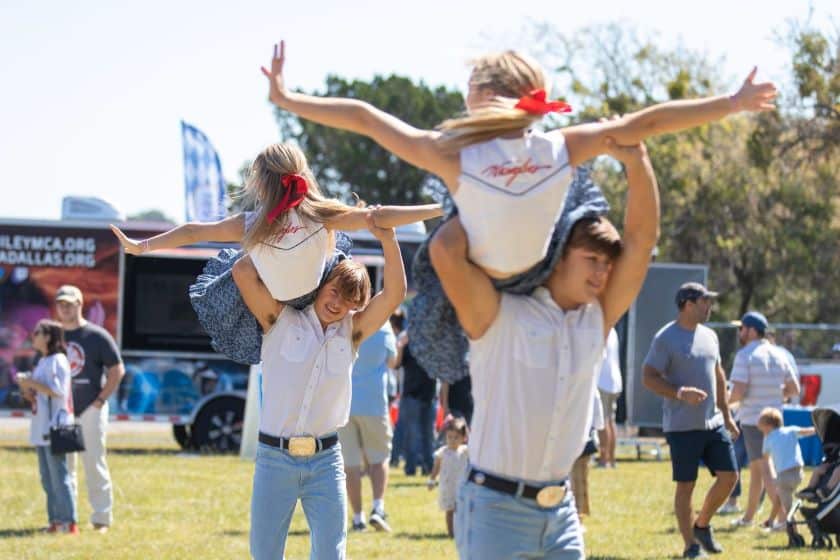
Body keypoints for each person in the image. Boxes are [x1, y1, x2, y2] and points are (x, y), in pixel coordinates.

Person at [260, 39, 777, 383]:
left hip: (531, 274)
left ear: (488, 98)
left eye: (469, 96)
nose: (464, 103)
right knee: (453, 248)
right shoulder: (554, 146)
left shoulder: (461, 153)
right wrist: (729, 102)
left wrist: (290, 99)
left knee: (486, 236)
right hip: (491, 278)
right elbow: (645, 124)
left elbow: (367, 119)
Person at [430, 132, 659, 560]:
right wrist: (510, 198)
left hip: (561, 512)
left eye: (608, 264)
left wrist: (637, 159)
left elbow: (642, 240)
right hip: (494, 510)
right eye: (592, 260)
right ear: (556, 252)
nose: (603, 274)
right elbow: (445, 248)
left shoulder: (596, 319)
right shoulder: (498, 313)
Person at [110, 142, 441, 365]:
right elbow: (377, 217)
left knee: (247, 267)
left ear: (263, 184)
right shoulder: (258, 223)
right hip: (278, 303)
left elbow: (197, 231)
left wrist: (144, 246)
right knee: (241, 268)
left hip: (308, 293)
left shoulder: (312, 215)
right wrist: (142, 246)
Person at [244, 213, 405, 560]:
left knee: (331, 554)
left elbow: (394, 294)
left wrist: (388, 238)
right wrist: (291, 238)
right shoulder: (278, 318)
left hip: (326, 460)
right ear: (321, 283)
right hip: (275, 459)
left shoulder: (353, 332)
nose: (338, 304)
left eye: (349, 301)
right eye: (334, 291)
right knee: (265, 554)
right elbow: (243, 272)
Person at [642, 283, 740, 558]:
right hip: (682, 426)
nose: (709, 307)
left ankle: (702, 524)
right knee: (686, 486)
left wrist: (727, 414)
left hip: (713, 423)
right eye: (704, 302)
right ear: (687, 304)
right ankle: (690, 546)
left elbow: (719, 374)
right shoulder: (665, 338)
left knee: (729, 477)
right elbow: (648, 377)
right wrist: (679, 393)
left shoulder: (710, 336)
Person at [53, 285, 122, 532]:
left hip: (91, 409)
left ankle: (101, 519)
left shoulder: (96, 335)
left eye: (69, 304)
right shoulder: (53, 336)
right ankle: (67, 519)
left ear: (80, 304)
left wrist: (100, 401)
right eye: (61, 304)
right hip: (62, 411)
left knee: (94, 463)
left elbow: (117, 369)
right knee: (65, 466)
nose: (65, 308)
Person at [727, 311, 800, 528]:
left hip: (753, 420)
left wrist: (725, 405)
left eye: (742, 328)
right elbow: (793, 388)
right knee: (759, 471)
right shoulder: (779, 354)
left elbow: (738, 390)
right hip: (776, 419)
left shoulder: (744, 356)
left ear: (750, 330)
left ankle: (784, 519)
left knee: (765, 471)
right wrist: (774, 394)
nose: (740, 332)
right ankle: (749, 517)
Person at [16, 320, 78, 535]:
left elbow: (59, 391)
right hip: (42, 425)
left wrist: (31, 382)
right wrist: (26, 388)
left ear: (49, 336)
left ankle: (69, 523)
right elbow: (39, 395)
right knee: (47, 477)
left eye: (37, 332)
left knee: (60, 476)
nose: (33, 336)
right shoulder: (43, 360)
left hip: (57, 425)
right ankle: (54, 521)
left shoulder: (58, 360)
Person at [338, 320, 398, 533]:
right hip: (374, 403)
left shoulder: (344, 323)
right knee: (379, 458)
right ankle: (378, 508)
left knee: (350, 465)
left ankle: (357, 518)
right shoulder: (383, 325)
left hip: (344, 404)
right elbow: (393, 361)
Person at [756, 407, 815, 530]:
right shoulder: (790, 430)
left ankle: (794, 531)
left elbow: (765, 458)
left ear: (768, 426)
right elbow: (807, 431)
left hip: (783, 475)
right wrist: (819, 428)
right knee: (779, 495)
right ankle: (771, 521)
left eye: (761, 427)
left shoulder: (768, 438)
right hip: (798, 473)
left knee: (788, 508)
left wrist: (770, 475)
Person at [391, 330, 437, 477]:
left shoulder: (434, 347)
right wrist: (399, 346)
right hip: (411, 396)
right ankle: (411, 468)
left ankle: (428, 468)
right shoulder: (409, 345)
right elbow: (396, 364)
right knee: (412, 435)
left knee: (428, 435)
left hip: (429, 396)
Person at [427, 416, 470, 538]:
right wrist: (432, 479)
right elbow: (436, 467)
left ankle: (461, 531)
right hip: (447, 486)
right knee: (450, 511)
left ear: (463, 438)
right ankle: (451, 533)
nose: (452, 440)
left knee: (461, 510)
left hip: (461, 486)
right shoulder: (443, 452)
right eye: (449, 437)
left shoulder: (465, 451)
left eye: (456, 437)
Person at [597, 327, 621, 468]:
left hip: (603, 381)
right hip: (615, 381)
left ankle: (603, 459)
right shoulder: (613, 330)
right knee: (610, 421)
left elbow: (599, 356)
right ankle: (611, 459)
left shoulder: (604, 329)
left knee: (603, 422)